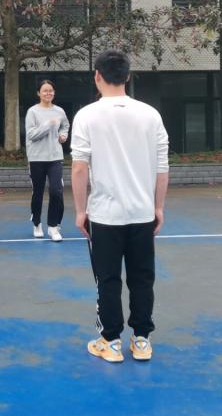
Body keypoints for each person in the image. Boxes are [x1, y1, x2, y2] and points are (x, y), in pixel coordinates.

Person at [71, 50, 169, 363]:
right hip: (142, 213)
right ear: (127, 76)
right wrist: (158, 207)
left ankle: (110, 342)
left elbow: (79, 168)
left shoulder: (86, 115)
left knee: (108, 279)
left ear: (97, 76)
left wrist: (80, 211)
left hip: (105, 216)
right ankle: (142, 341)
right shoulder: (151, 115)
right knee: (142, 279)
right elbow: (162, 167)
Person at [25, 79, 70, 241]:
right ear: (39, 93)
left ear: (54, 93)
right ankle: (37, 223)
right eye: (45, 90)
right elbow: (31, 135)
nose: (48, 93)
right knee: (38, 192)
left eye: (50, 90)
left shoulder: (59, 111)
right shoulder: (32, 112)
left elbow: (65, 125)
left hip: (55, 157)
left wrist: (63, 135)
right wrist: (48, 125)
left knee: (56, 191)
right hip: (37, 158)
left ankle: (53, 226)